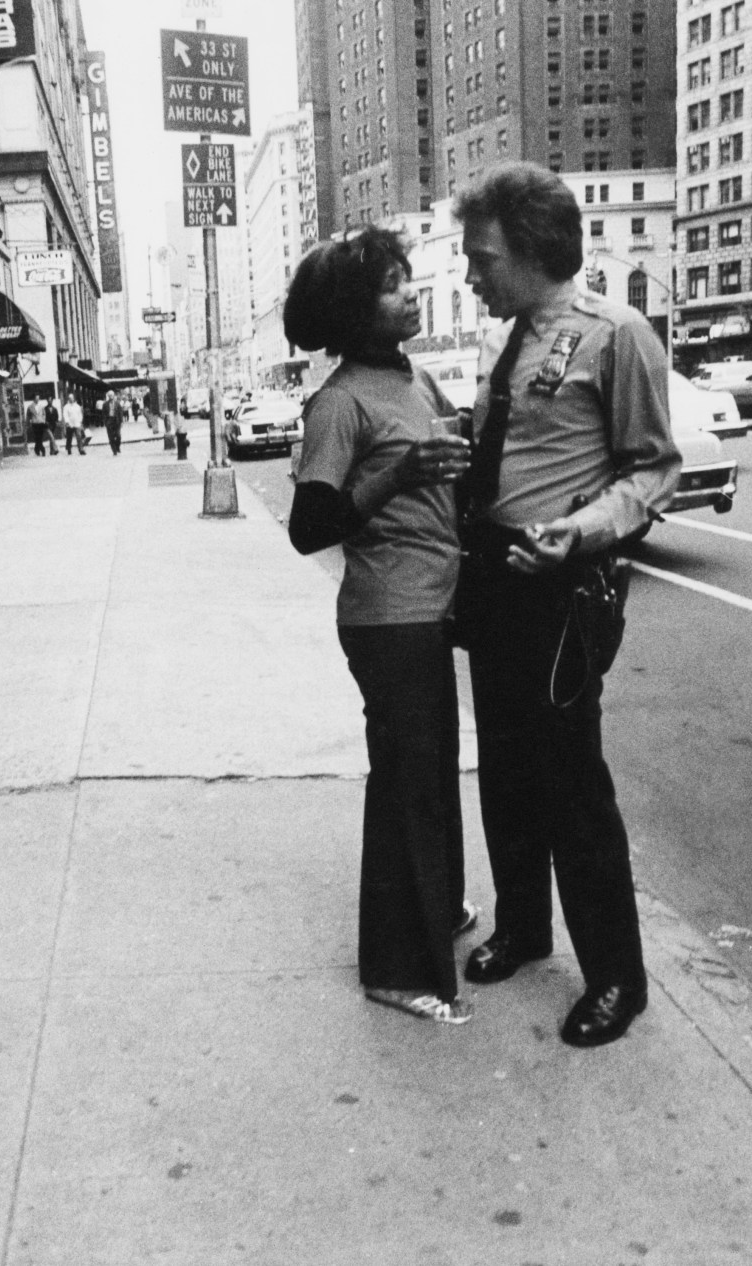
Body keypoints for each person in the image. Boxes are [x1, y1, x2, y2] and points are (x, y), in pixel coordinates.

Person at [452, 163, 680, 1049]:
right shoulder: (506, 341)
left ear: (534, 251)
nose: (473, 274)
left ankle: (617, 977)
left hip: (561, 590)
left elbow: (654, 466)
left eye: (483, 257)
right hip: (495, 583)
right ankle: (523, 926)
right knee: (505, 770)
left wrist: (582, 532)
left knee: (573, 786)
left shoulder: (616, 335)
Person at [284, 227, 478, 1025]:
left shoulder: (417, 380)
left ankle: (442, 911)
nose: (409, 293)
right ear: (355, 311)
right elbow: (309, 526)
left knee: (434, 775)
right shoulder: (339, 402)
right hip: (387, 617)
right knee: (406, 784)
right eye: (393, 284)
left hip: (432, 605)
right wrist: (399, 473)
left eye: (408, 280)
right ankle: (397, 967)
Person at [103, 389, 124, 454]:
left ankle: (117, 446)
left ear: (113, 395)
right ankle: (114, 450)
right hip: (109, 421)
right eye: (109, 395)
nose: (110, 396)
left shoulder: (117, 403)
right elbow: (103, 414)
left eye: (111, 395)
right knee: (111, 437)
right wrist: (105, 422)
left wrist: (122, 421)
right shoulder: (105, 404)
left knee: (118, 436)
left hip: (117, 421)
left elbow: (121, 412)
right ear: (108, 396)